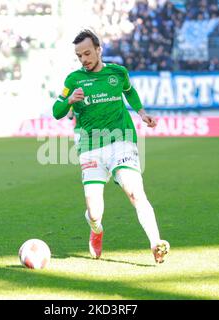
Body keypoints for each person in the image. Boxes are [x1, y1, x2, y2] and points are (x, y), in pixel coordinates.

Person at [52, 29, 170, 264]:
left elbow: (130, 91)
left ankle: (156, 243)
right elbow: (57, 111)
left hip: (121, 141)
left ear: (98, 50)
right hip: (90, 147)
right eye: (79, 56)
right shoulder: (73, 80)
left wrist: (142, 113)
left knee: (135, 192)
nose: (84, 59)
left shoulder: (118, 73)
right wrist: (69, 101)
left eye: (87, 53)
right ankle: (96, 230)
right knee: (95, 213)